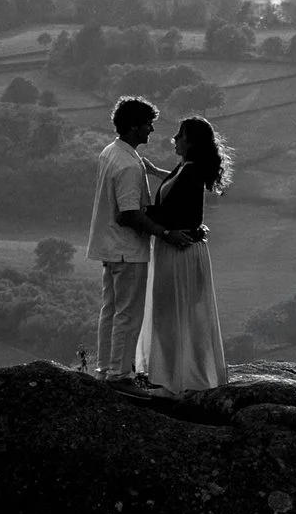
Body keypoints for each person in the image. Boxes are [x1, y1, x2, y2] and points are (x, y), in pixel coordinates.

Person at [136, 115, 230, 393]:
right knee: (180, 313)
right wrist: (155, 173)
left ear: (191, 142)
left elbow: (173, 209)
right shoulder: (187, 167)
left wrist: (136, 214)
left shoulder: (190, 171)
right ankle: (181, 375)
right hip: (180, 248)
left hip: (179, 249)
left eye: (180, 135)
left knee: (171, 314)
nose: (174, 139)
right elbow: (177, 185)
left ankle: (173, 379)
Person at [86, 96, 171, 383]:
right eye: (148, 124)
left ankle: (104, 369)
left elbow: (133, 170)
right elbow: (129, 214)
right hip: (127, 250)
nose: (152, 130)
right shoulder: (129, 167)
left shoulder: (113, 152)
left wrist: (154, 170)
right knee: (129, 315)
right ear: (135, 126)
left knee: (110, 310)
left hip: (109, 247)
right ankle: (120, 375)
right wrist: (165, 232)